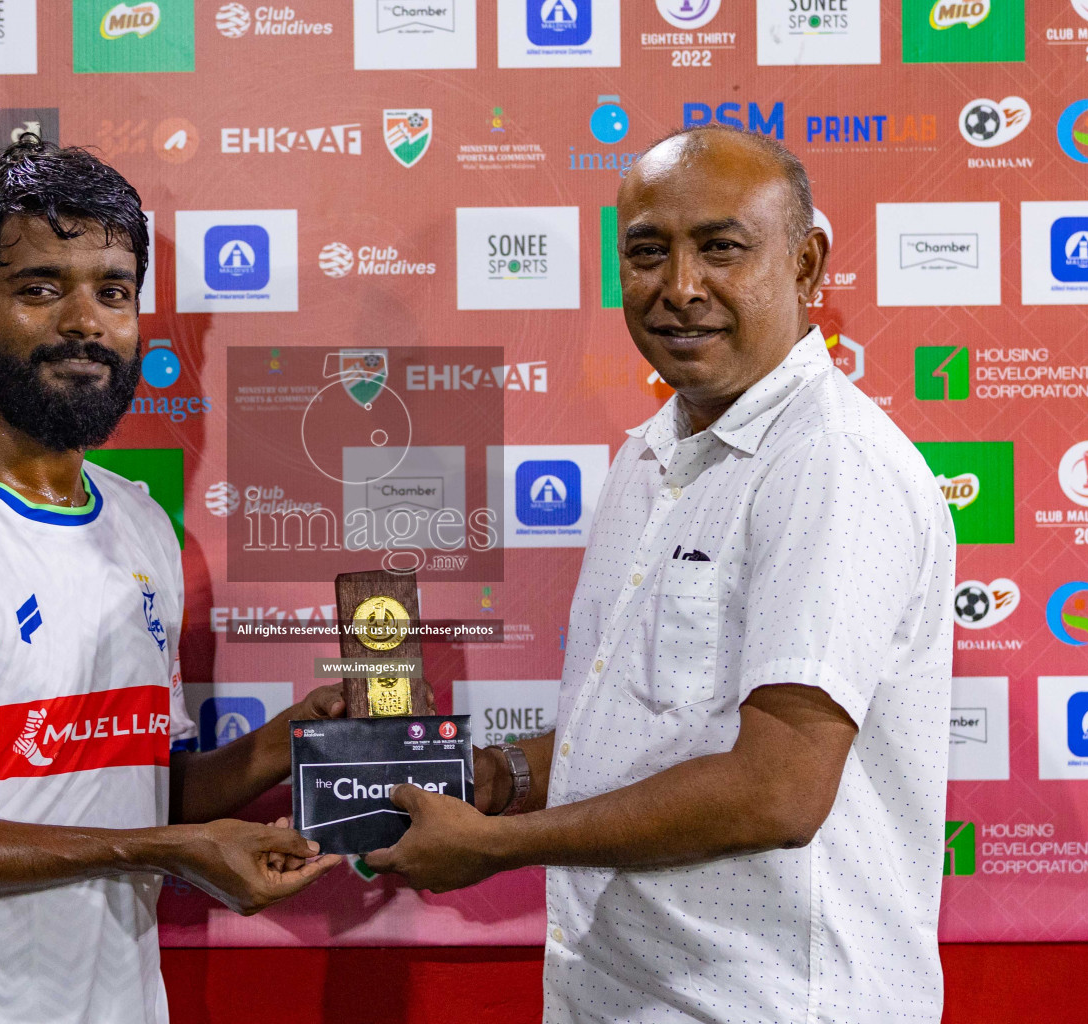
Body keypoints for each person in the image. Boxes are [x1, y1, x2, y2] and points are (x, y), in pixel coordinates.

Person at [366, 125, 955, 1023]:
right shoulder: (655, 457)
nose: (681, 288)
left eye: (722, 247)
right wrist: (500, 778)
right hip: (629, 994)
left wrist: (498, 845)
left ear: (806, 267)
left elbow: (779, 789)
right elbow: (652, 731)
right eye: (649, 252)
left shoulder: (830, 463)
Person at [0, 137, 341, 1024]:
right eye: (40, 288)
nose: (86, 320)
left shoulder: (138, 523)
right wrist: (159, 847)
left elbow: (129, 783)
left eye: (113, 290)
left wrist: (289, 740)